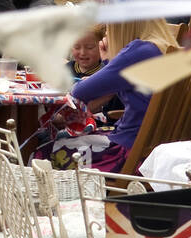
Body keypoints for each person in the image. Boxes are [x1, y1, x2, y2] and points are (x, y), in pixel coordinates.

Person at [45, 18, 166, 171]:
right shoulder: (163, 47)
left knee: (42, 153)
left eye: (109, 27)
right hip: (156, 151)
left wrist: (107, 59)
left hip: (127, 152)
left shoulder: (137, 51)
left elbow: (80, 92)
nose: (107, 34)